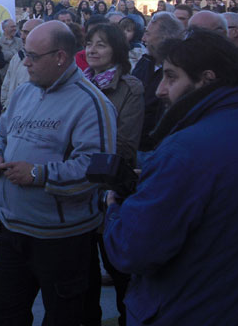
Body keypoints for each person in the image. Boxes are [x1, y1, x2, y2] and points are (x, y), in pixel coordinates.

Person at [103, 30, 238, 326]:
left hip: (194, 308)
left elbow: (133, 250)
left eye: (171, 77)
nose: (160, 90)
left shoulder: (184, 151)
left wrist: (115, 207)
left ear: (206, 79)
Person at [0, 21, 117, 326]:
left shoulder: (91, 104)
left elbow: (96, 172)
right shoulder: (24, 93)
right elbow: (1, 132)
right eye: (23, 53)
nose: (24, 61)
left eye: (32, 55)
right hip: (12, 234)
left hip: (61, 243)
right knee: (3, 318)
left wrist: (39, 174)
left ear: (60, 57)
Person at [81, 23, 144, 326]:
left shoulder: (130, 87)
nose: (92, 50)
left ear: (116, 50)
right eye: (89, 43)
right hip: (78, 188)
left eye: (101, 45)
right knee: (83, 274)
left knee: (117, 268)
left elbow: (125, 145)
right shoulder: (78, 84)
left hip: (109, 189)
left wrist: (79, 150)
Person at [132, 12, 184, 163]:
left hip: (159, 153)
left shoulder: (181, 70)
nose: (143, 39)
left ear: (165, 37)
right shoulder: (145, 62)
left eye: (148, 34)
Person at [0, 19, 43, 107]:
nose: (22, 37)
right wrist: (6, 106)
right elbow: (6, 85)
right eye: (22, 32)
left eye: (27, 33)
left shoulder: (47, 60)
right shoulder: (17, 58)